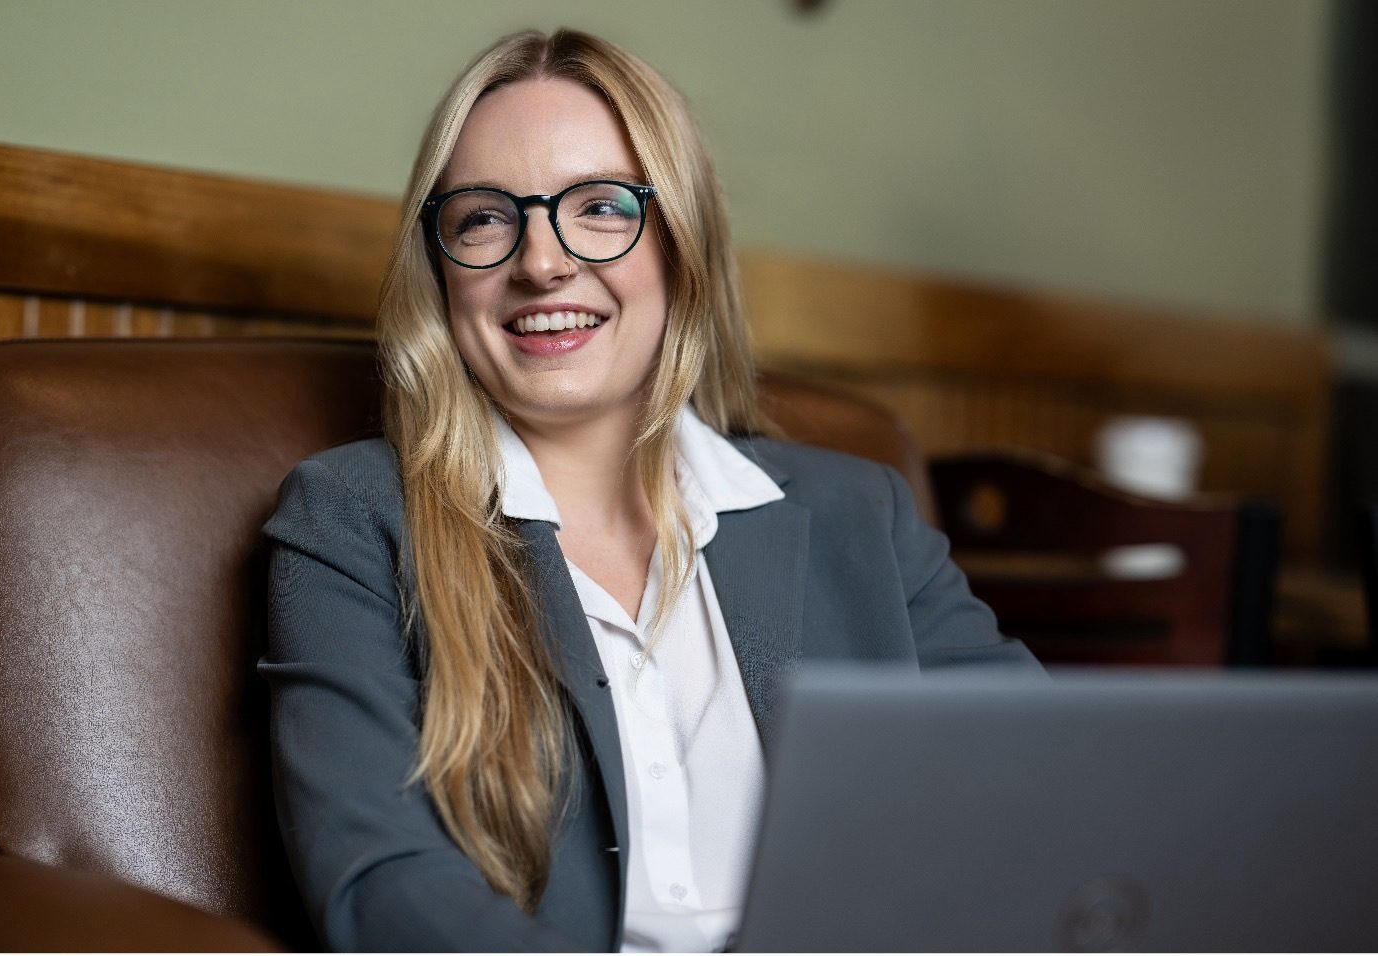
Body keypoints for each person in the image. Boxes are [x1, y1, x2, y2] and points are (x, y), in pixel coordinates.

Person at [260, 27, 1040, 954]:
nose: (540, 261)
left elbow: (1043, 790)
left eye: (598, 207)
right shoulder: (349, 519)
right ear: (440, 272)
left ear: (681, 243)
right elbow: (379, 888)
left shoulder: (857, 512)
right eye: (481, 218)